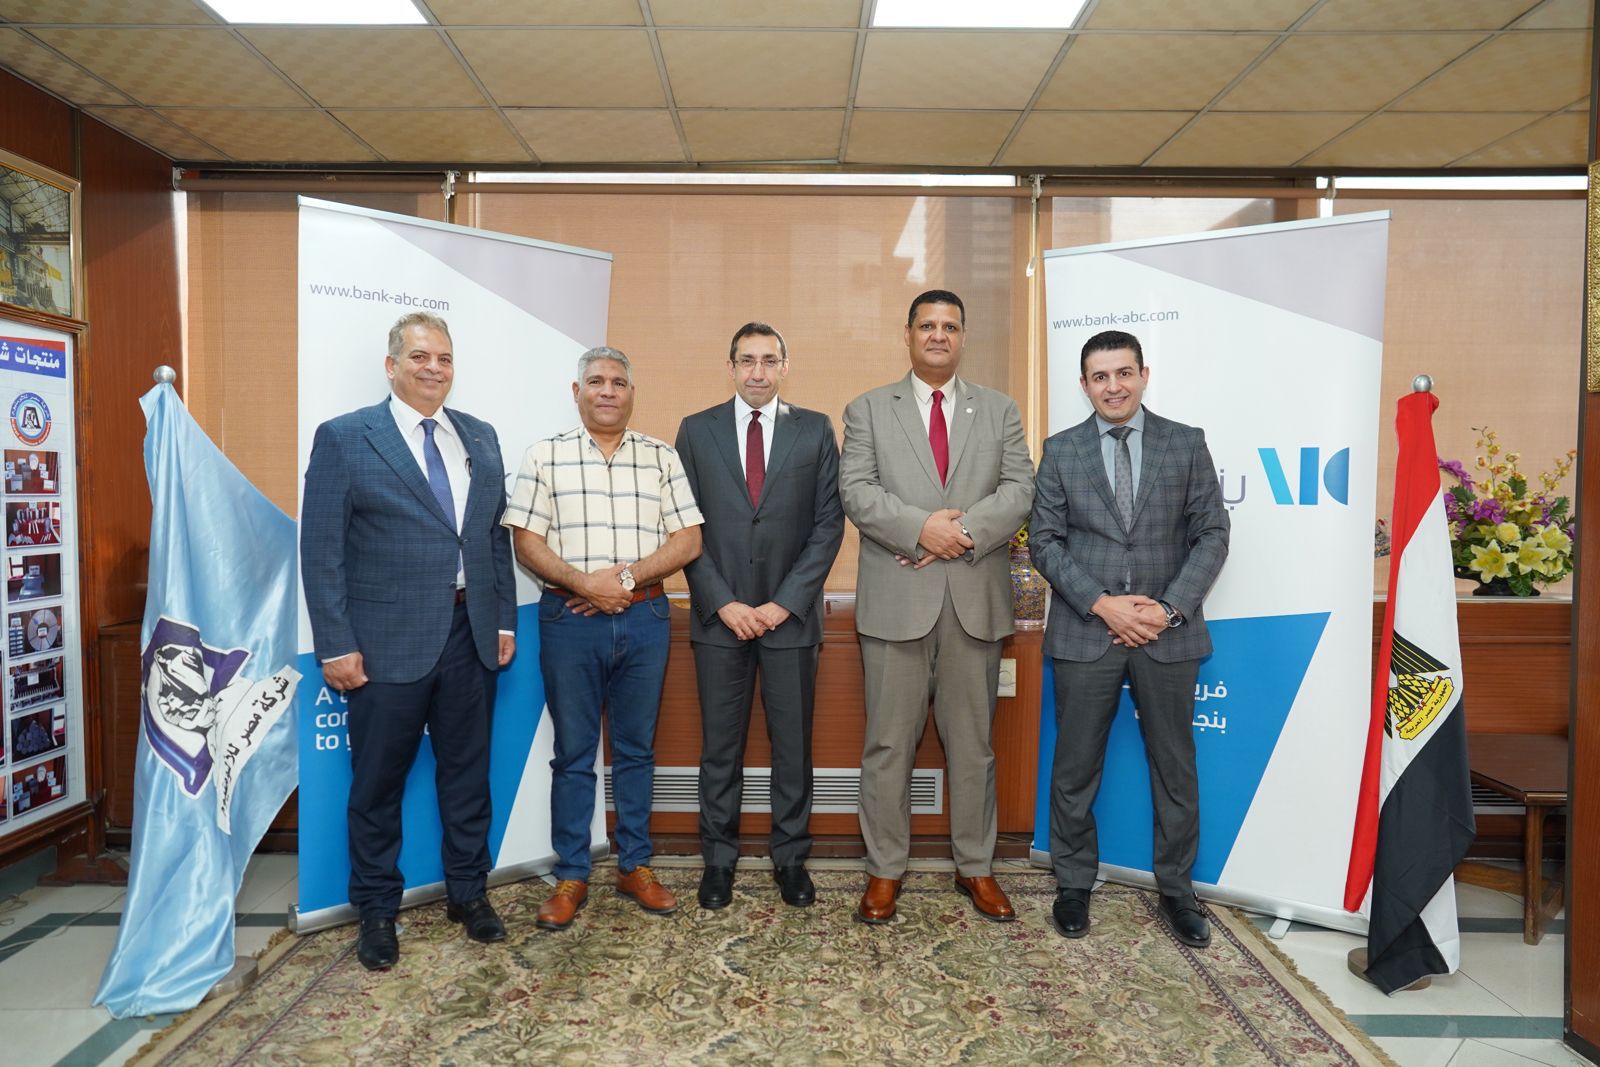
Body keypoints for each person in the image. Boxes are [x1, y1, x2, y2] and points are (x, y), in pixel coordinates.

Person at [301, 312, 517, 971]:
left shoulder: (479, 435)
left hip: (469, 633)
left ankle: (469, 892)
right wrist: (334, 643)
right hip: (384, 642)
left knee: (467, 775)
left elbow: (492, 538)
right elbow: (321, 550)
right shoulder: (346, 437)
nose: (434, 368)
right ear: (391, 365)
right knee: (377, 784)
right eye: (420, 356)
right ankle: (376, 909)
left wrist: (503, 620)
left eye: (444, 358)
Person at [839, 289, 1035, 925]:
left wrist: (964, 533)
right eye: (927, 325)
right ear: (908, 334)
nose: (938, 335)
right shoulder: (868, 409)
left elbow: (1020, 489)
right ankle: (884, 869)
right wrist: (922, 528)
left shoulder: (1000, 410)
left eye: (950, 326)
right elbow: (856, 491)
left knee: (973, 746)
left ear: (963, 337)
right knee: (888, 745)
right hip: (896, 602)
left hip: (973, 602)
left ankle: (976, 866)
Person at [1029, 329, 1229, 948]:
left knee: (1175, 768)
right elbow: (1045, 542)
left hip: (1167, 635)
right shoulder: (1061, 450)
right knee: (1074, 768)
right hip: (1086, 630)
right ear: (1084, 384)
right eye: (1100, 377)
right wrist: (1102, 604)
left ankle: (1178, 891)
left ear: (1143, 375)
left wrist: (1166, 610)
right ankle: (1072, 883)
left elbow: (1213, 534)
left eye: (1123, 373)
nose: (1112, 387)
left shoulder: (1185, 442)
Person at [504, 346, 703, 931]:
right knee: (573, 753)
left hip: (645, 619)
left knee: (637, 750)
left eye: (618, 382)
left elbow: (688, 539)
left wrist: (622, 581)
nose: (608, 391)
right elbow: (526, 541)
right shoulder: (544, 455)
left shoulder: (661, 457)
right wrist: (583, 584)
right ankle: (572, 872)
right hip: (569, 621)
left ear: (632, 392)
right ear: (577, 391)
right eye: (596, 381)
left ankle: (634, 865)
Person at [674, 323, 845, 910]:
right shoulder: (696, 431)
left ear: (785, 367)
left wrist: (782, 603)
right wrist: (723, 602)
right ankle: (718, 862)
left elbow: (828, 526)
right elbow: (683, 525)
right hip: (718, 619)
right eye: (746, 360)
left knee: (792, 748)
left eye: (769, 360)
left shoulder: (815, 429)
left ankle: (791, 860)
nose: (757, 371)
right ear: (730, 367)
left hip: (789, 620)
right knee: (720, 749)